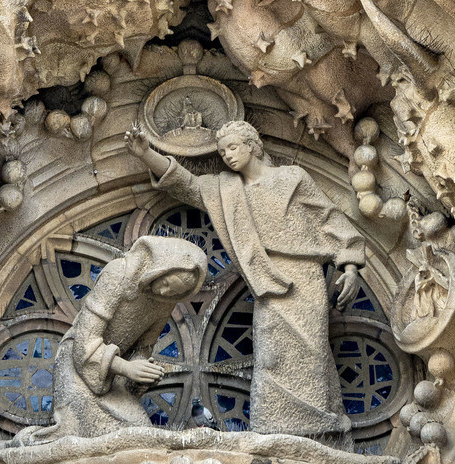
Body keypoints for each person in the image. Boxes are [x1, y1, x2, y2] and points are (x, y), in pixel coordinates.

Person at [128, 118, 365, 442]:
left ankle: (320, 431)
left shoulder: (292, 177)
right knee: (272, 356)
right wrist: (146, 154)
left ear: (253, 145)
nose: (227, 156)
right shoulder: (227, 189)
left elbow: (328, 218)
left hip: (302, 277)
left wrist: (349, 264)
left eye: (233, 147)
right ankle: (275, 432)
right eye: (223, 151)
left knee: (310, 355)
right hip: (267, 284)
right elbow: (189, 185)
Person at [48, 233, 209, 437]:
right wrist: (126, 367)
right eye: (167, 284)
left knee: (140, 432)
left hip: (113, 377)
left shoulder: (165, 302)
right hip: (77, 368)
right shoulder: (118, 275)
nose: (164, 293)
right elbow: (83, 345)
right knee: (80, 431)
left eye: (174, 293)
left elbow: (143, 348)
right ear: (160, 268)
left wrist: (143, 371)